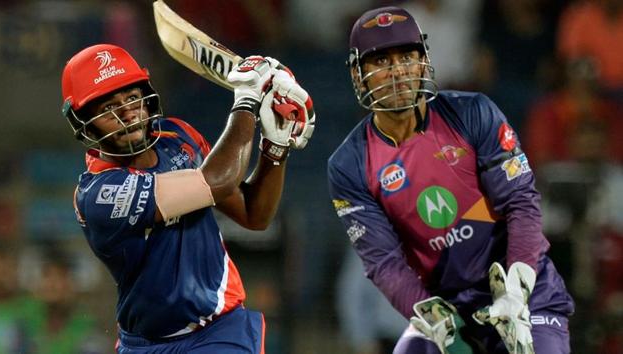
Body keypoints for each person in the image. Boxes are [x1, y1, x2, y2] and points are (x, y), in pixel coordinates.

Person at [327, 6, 573, 354]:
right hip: (447, 309)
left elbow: (520, 203)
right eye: (381, 61)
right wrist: (443, 328)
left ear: (423, 60)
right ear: (358, 73)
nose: (398, 72)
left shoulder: (473, 113)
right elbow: (385, 264)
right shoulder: (349, 164)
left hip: (524, 294)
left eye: (406, 56)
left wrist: (517, 290)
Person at [60, 43, 314, 353]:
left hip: (220, 329)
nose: (128, 114)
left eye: (132, 98)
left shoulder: (178, 137)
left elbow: (253, 214)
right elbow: (214, 183)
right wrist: (247, 99)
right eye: (109, 108)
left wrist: (275, 147)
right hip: (144, 344)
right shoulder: (99, 194)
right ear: (83, 120)